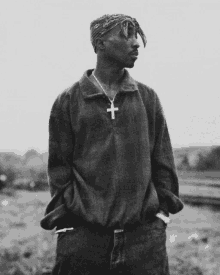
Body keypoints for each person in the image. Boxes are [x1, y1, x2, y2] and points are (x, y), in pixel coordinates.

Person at [40, 14, 184, 275]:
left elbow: (163, 162)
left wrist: (161, 216)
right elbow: (59, 169)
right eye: (126, 35)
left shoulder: (148, 98)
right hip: (84, 242)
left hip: (144, 242)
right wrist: (68, 225)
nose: (136, 43)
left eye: (135, 36)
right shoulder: (68, 101)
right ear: (100, 43)